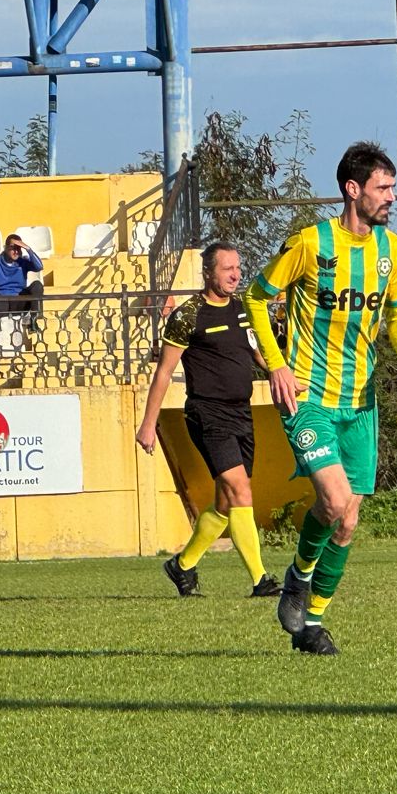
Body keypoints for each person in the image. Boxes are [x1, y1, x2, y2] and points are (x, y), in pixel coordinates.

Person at [243, 141, 397, 655]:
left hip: (361, 403)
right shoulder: (310, 244)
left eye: (392, 188)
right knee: (335, 500)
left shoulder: (391, 251)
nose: (391, 197)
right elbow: (256, 297)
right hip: (308, 397)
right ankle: (299, 577)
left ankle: (312, 624)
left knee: (347, 520)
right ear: (352, 189)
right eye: (382, 188)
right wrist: (276, 364)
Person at [137, 241, 275, 599]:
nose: (235, 275)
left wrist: (284, 376)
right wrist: (148, 423)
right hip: (207, 414)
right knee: (240, 490)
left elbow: (259, 354)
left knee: (227, 503)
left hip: (241, 413)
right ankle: (260, 580)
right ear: (208, 273)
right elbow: (163, 373)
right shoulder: (188, 315)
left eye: (238, 268)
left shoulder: (243, 310)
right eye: (227, 268)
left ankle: (182, 565)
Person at [0, 231, 43, 326]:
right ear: (6, 248)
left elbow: (39, 267)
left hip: (19, 300)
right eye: (12, 248)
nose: (16, 251)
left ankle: (34, 321)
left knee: (37, 285)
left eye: (18, 248)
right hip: (1, 300)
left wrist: (28, 249)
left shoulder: (23, 261)